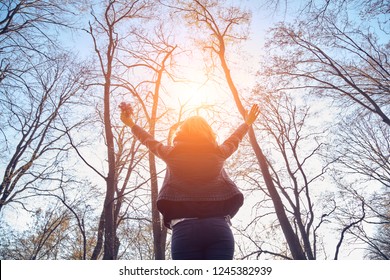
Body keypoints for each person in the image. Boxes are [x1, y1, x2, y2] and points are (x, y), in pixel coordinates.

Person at [120, 104, 260, 260]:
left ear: (182, 132)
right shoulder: (219, 152)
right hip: (218, 228)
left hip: (184, 230)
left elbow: (149, 141)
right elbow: (235, 138)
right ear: (208, 132)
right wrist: (247, 123)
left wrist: (131, 124)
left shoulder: (171, 154)